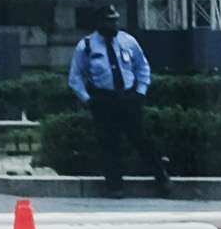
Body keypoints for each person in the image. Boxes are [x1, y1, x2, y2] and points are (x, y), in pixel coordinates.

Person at [65, 12, 157, 192]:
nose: (112, 25)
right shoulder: (87, 46)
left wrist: (140, 92)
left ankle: (161, 178)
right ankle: (115, 186)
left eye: (114, 21)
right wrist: (88, 99)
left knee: (141, 140)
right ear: (99, 22)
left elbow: (142, 66)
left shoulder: (128, 41)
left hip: (128, 97)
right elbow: (75, 77)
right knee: (109, 144)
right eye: (108, 22)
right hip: (103, 99)